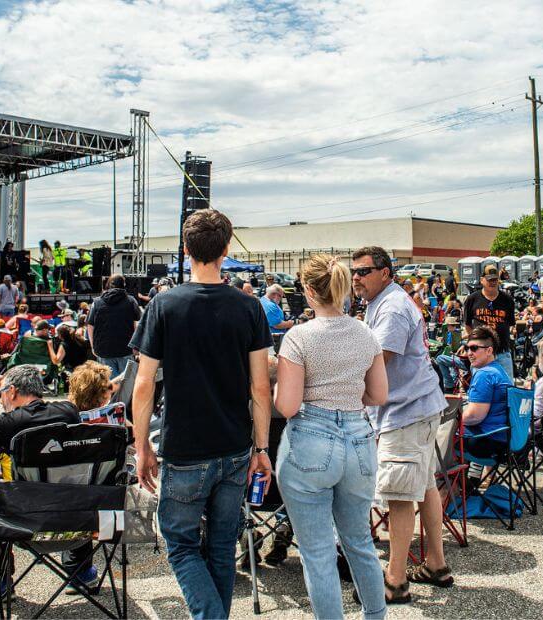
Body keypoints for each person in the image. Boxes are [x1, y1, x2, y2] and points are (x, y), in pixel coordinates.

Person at [130, 209, 273, 619]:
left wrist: (141, 446)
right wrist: (261, 446)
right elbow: (259, 387)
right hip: (233, 447)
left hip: (185, 448)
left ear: (187, 249)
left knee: (180, 542)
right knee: (222, 546)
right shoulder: (249, 308)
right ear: (226, 250)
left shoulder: (164, 305)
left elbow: (144, 385)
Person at [273, 253, 388, 619]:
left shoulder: (299, 337)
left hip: (310, 437)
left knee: (318, 552)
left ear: (308, 290)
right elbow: (378, 395)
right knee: (360, 543)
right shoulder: (365, 333)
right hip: (358, 437)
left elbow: (288, 405)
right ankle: (375, 614)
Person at [350, 246, 451, 605]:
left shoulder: (392, 306)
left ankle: (394, 581)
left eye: (363, 271)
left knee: (398, 495)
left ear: (385, 273)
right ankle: (435, 564)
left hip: (406, 412)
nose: (356, 278)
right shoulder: (385, 302)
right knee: (423, 488)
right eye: (354, 272)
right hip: (415, 408)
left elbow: (379, 360)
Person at [0, 363, 112, 597]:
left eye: (2, 393)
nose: (1, 399)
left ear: (12, 391)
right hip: (76, 515)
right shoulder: (69, 412)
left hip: (26, 518)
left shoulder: (4, 424)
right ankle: (80, 571)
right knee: (74, 486)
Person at [460, 326, 512, 461]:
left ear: (489, 350)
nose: (469, 353)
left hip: (487, 440)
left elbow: (474, 417)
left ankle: (446, 480)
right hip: (504, 437)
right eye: (467, 348)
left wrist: (450, 420)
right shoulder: (499, 370)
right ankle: (472, 479)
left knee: (440, 431)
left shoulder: (484, 374)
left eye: (474, 348)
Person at [462, 265, 517, 381]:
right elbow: (467, 324)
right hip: (480, 353)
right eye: (489, 280)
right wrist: (475, 344)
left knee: (507, 389)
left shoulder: (507, 300)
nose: (492, 282)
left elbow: (511, 324)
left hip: (502, 352)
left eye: (495, 280)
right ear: (482, 280)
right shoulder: (472, 299)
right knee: (481, 386)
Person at [87, 274, 141, 378]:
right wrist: (136, 345)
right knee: (127, 386)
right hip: (126, 350)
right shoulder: (131, 301)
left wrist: (93, 345)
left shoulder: (97, 302)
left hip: (103, 350)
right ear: (124, 285)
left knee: (108, 386)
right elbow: (137, 324)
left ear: (108, 285)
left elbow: (90, 325)